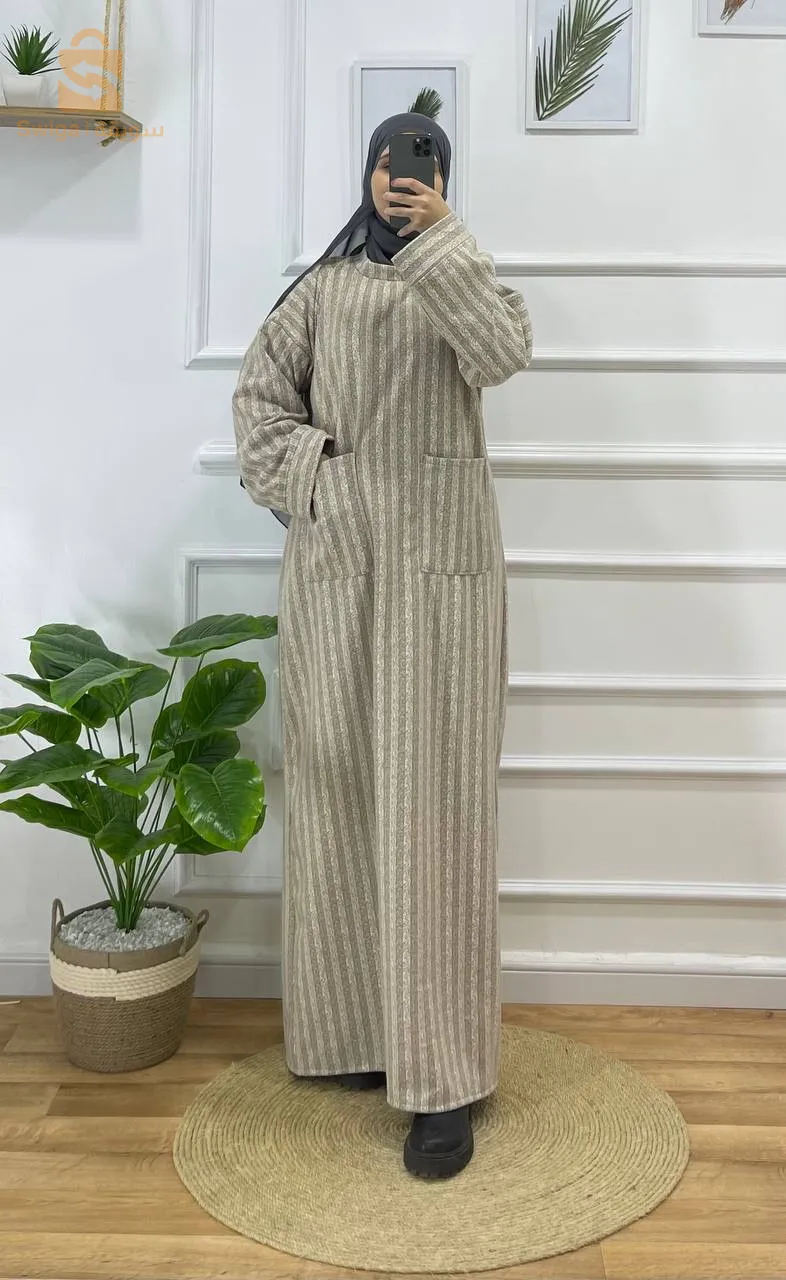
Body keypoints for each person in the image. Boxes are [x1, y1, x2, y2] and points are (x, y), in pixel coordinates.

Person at [232, 112, 533, 1180]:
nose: (405, 177)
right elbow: (258, 409)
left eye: (427, 164)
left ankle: (442, 1079)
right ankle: (360, 1033)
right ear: (366, 170)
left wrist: (442, 240)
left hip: (446, 592)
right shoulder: (319, 292)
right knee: (342, 803)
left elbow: (502, 354)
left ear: (443, 179)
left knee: (436, 823)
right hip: (337, 576)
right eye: (393, 160)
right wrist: (328, 481)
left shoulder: (465, 278)